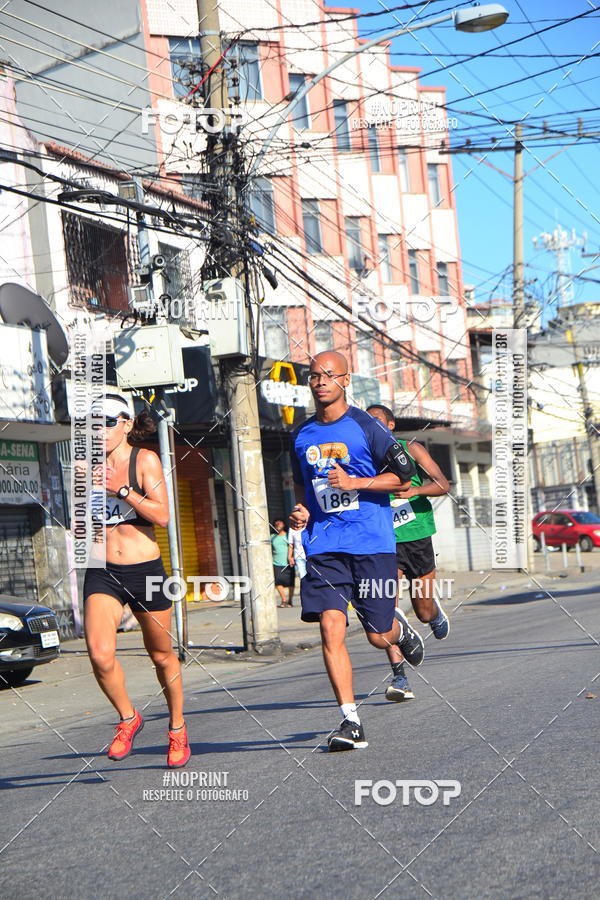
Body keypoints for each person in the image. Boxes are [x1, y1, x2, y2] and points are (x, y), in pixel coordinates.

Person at [289, 350, 424, 751]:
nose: (320, 381)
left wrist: (355, 483)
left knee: (379, 636)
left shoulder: (367, 426)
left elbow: (404, 477)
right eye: (314, 375)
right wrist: (301, 510)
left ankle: (401, 631)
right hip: (325, 546)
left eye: (329, 375)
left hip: (371, 544)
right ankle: (350, 721)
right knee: (330, 627)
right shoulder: (301, 434)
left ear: (345, 380)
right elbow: (303, 484)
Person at [83, 393, 191, 768]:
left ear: (127, 423)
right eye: (92, 423)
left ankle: (177, 727)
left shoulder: (144, 460)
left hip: (145, 571)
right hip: (102, 571)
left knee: (161, 655)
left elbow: (162, 516)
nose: (99, 430)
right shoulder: (85, 466)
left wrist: (123, 489)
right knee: (99, 654)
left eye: (107, 422)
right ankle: (128, 718)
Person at [367, 404, 450, 702]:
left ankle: (433, 611)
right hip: (383, 543)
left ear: (390, 424)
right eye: (367, 422)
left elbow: (442, 484)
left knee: (422, 611)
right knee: (386, 610)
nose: (372, 426)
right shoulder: (362, 458)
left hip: (416, 538)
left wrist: (415, 491)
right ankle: (399, 677)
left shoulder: (411, 449)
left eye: (377, 420)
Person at [271, 518, 294, 607]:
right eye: (276, 524)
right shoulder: (272, 537)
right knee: (278, 582)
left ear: (284, 525)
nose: (278, 525)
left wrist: (291, 557)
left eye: (280, 524)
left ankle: (290, 600)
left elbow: (292, 546)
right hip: (276, 562)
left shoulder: (288, 535)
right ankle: (284, 599)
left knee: (290, 582)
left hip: (288, 562)